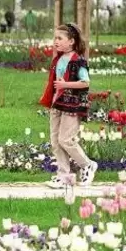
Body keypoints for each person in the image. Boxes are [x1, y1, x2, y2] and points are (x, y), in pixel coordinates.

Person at [38, 23, 97, 189]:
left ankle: (87, 165)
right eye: (55, 38)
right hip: (57, 104)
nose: (55, 41)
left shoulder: (78, 61)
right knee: (56, 141)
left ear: (71, 41)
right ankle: (63, 176)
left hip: (72, 106)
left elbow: (85, 82)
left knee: (66, 140)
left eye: (59, 38)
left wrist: (66, 85)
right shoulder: (58, 59)